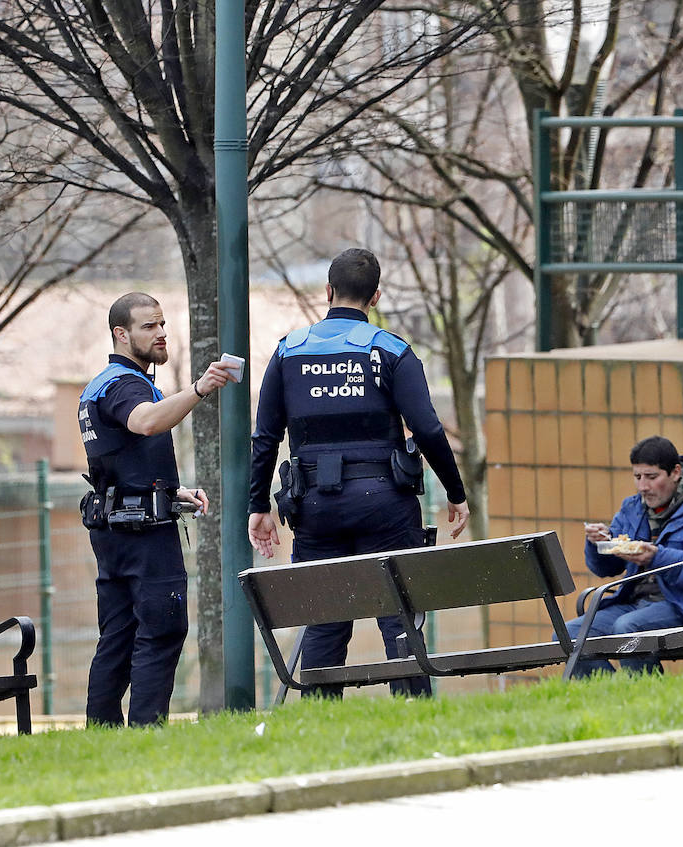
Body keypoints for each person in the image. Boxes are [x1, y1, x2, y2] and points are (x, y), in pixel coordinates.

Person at [247, 247, 469, 698]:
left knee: (324, 618)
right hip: (384, 503)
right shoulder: (392, 351)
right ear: (377, 297)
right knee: (398, 615)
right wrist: (456, 492)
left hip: (314, 506)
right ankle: (413, 710)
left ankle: (320, 715)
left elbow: (265, 436)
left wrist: (259, 505)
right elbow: (426, 427)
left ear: (328, 292)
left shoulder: (288, 352)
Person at [78, 292, 239, 726]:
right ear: (121, 333)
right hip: (144, 538)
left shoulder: (98, 386)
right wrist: (200, 388)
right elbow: (146, 421)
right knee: (162, 631)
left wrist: (171, 491)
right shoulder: (126, 384)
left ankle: (102, 733)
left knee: (118, 636)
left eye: (163, 324)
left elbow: (121, 460)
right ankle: (147, 730)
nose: (162, 333)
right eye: (149, 326)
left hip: (115, 531)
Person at [569, 436, 683, 678]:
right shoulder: (633, 507)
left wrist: (656, 557)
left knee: (627, 628)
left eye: (651, 477)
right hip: (633, 602)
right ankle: (615, 697)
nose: (642, 487)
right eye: (637, 477)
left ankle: (647, 695)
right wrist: (599, 543)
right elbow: (606, 568)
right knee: (571, 633)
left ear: (676, 473)